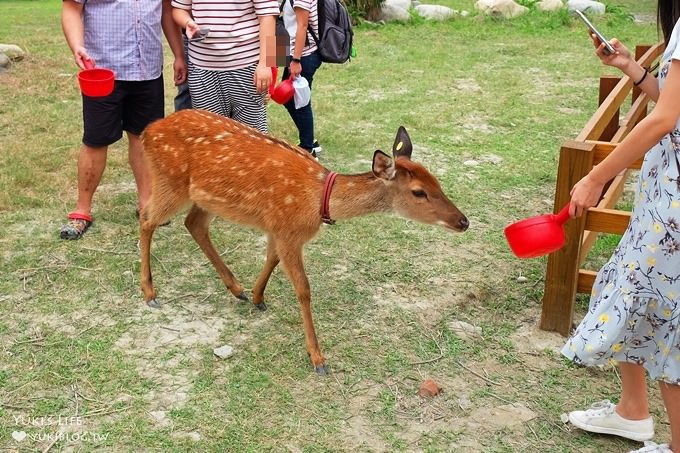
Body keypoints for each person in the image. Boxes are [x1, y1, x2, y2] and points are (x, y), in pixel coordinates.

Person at [561, 2, 680, 452]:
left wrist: (596, 176)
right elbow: (674, 102)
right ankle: (633, 411)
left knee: (666, 317)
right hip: (662, 200)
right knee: (628, 291)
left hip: (673, 205)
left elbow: (666, 119)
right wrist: (632, 68)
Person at [60, 0, 186, 240]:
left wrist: (179, 54)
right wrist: (77, 46)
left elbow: (167, 11)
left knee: (143, 137)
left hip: (147, 69)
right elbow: (71, 9)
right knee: (96, 139)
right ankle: (82, 210)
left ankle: (147, 203)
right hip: (102, 69)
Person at [171, 0, 279, 134]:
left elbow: (268, 15)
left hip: (246, 67)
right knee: (210, 137)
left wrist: (265, 63)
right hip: (203, 68)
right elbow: (178, 9)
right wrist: (187, 22)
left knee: (250, 138)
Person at [280, 0, 323, 157]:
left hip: (303, 56)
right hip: (297, 54)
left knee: (300, 102)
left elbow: (302, 26)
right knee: (290, 99)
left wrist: (296, 60)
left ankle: (307, 148)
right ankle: (310, 141)